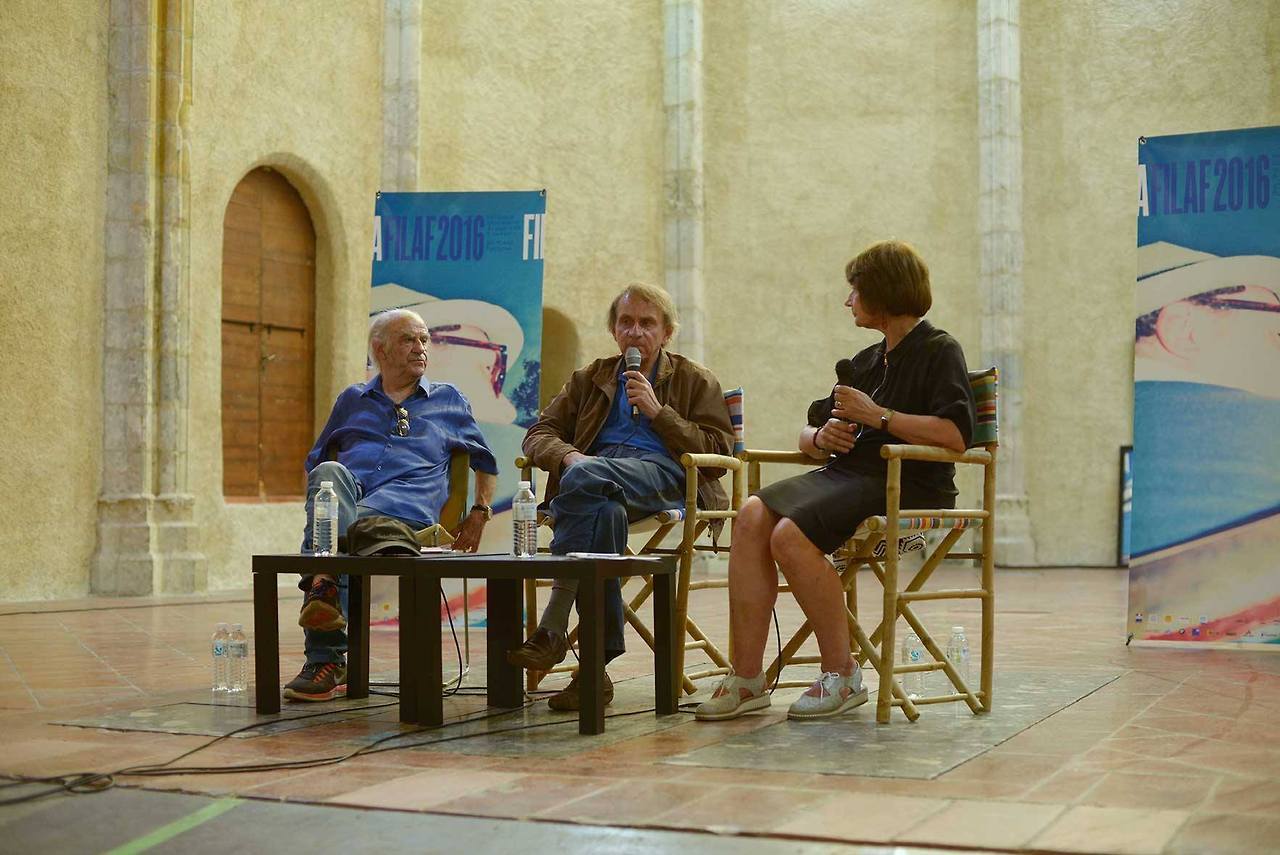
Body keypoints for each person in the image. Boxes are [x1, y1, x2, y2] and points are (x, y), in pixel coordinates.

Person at [696, 240, 975, 722]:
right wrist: (821, 435)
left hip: (908, 482)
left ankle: (842, 673)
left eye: (855, 290)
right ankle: (746, 679)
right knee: (753, 514)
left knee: (789, 535)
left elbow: (955, 435)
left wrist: (880, 416)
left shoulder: (940, 350)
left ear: (883, 292)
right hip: (849, 475)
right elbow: (808, 431)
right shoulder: (865, 361)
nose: (848, 301)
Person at [509, 282, 735, 710]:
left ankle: (552, 624)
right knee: (604, 513)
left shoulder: (694, 379)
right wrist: (570, 456)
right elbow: (538, 434)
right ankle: (596, 669)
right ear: (614, 331)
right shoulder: (588, 378)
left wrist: (658, 412)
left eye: (647, 323)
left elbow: (717, 453)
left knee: (585, 483)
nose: (635, 332)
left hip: (664, 475)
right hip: (596, 482)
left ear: (667, 333)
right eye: (626, 323)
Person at [284, 308, 499, 702]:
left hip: (406, 515)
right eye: (409, 340)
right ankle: (325, 589)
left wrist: (480, 511)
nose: (421, 349)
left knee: (333, 538)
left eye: (424, 340)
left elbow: (486, 461)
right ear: (380, 350)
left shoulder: (448, 401)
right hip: (353, 506)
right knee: (331, 478)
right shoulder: (352, 400)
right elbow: (317, 462)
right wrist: (329, 498)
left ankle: (325, 651)